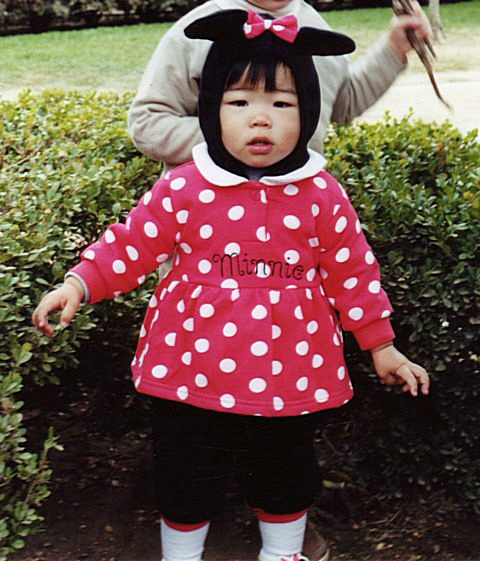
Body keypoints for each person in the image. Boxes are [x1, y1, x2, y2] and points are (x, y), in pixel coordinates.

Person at [32, 10, 430, 561]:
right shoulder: (186, 187)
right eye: (238, 103)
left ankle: (283, 552)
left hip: (289, 370)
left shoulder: (321, 194)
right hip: (189, 367)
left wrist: (381, 345)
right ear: (211, 110)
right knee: (186, 472)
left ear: (307, 112)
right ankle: (181, 555)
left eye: (282, 104)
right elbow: (132, 244)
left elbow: (353, 273)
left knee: (285, 470)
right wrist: (80, 283)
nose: (260, 119)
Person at [127, 0, 430, 173]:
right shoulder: (197, 30)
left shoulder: (313, 26)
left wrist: (393, 50)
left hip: (293, 217)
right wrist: (230, 138)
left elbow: (342, 103)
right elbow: (147, 123)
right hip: (207, 220)